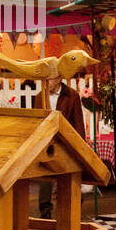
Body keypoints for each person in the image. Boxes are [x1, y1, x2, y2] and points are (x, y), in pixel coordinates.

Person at [39, 76, 87, 218]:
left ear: (59, 78)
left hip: (66, 142)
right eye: (45, 80)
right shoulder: (40, 96)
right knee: (45, 176)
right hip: (46, 142)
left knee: (68, 176)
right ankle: (45, 212)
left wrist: (80, 147)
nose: (48, 83)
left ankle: (70, 209)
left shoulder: (71, 96)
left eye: (51, 79)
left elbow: (78, 122)